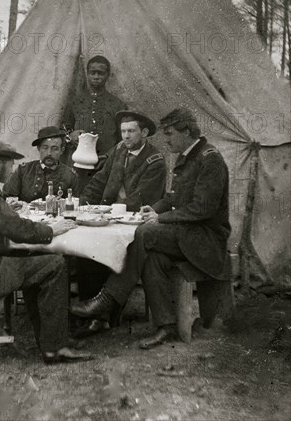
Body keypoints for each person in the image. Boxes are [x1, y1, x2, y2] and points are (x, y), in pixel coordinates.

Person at [70, 108, 231, 349]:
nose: (166, 140)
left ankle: (107, 300)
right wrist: (154, 210)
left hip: (206, 240)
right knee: (152, 257)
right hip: (187, 234)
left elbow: (202, 210)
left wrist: (161, 219)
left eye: (170, 134)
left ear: (187, 132)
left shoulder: (210, 159)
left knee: (144, 233)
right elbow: (173, 198)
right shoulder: (187, 156)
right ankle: (165, 326)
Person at [0, 138, 93, 364]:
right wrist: (51, 229)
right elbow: (16, 228)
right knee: (55, 264)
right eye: (10, 165)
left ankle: (50, 339)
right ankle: (56, 348)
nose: (12, 171)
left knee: (37, 261)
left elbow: (2, 222)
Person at [73, 111, 167, 337]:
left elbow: (143, 198)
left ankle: (105, 315)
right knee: (86, 248)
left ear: (144, 133)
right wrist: (83, 204)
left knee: (110, 248)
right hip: (110, 217)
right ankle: (91, 312)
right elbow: (99, 181)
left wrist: (109, 210)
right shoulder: (118, 150)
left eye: (131, 131)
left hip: (136, 220)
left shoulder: (155, 160)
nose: (125, 136)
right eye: (123, 131)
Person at [61, 55, 127, 192]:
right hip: (79, 164)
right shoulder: (76, 101)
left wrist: (110, 158)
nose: (96, 77)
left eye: (100, 73)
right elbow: (63, 127)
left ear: (108, 75)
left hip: (106, 164)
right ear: (87, 74)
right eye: (92, 73)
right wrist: (70, 135)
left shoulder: (117, 104)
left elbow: (123, 139)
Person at [3, 126, 79, 202]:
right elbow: (7, 198)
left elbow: (74, 205)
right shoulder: (23, 171)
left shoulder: (70, 176)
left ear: (62, 150)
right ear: (39, 148)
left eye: (55, 149)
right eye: (45, 148)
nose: (49, 153)